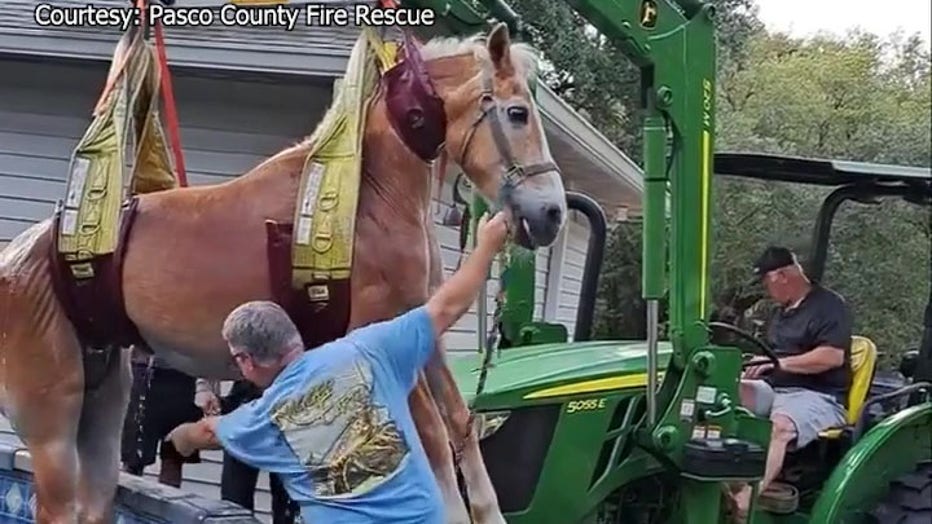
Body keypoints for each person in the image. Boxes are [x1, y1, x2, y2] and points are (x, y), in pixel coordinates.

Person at [167, 210, 511, 523]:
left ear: (247, 361)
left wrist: (177, 440)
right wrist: (486, 247)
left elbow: (207, 432)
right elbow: (445, 308)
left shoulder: (265, 419)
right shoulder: (370, 348)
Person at [729, 246, 852, 519]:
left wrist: (778, 364)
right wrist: (759, 363)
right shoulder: (781, 313)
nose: (764, 288)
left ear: (783, 276)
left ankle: (743, 504)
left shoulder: (830, 306)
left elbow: (831, 356)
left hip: (817, 395)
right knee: (721, 394)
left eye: (765, 281)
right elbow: (777, 354)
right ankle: (723, 478)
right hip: (776, 389)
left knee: (780, 427)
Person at [195, 377, 299, 523]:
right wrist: (205, 388)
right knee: (234, 499)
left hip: (289, 401)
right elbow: (212, 358)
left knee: (286, 499)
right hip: (245, 400)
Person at [120, 346, 203, 487]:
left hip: (184, 375)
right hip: (144, 371)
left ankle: (169, 502)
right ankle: (126, 505)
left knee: (174, 455)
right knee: (133, 459)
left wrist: (205, 386)